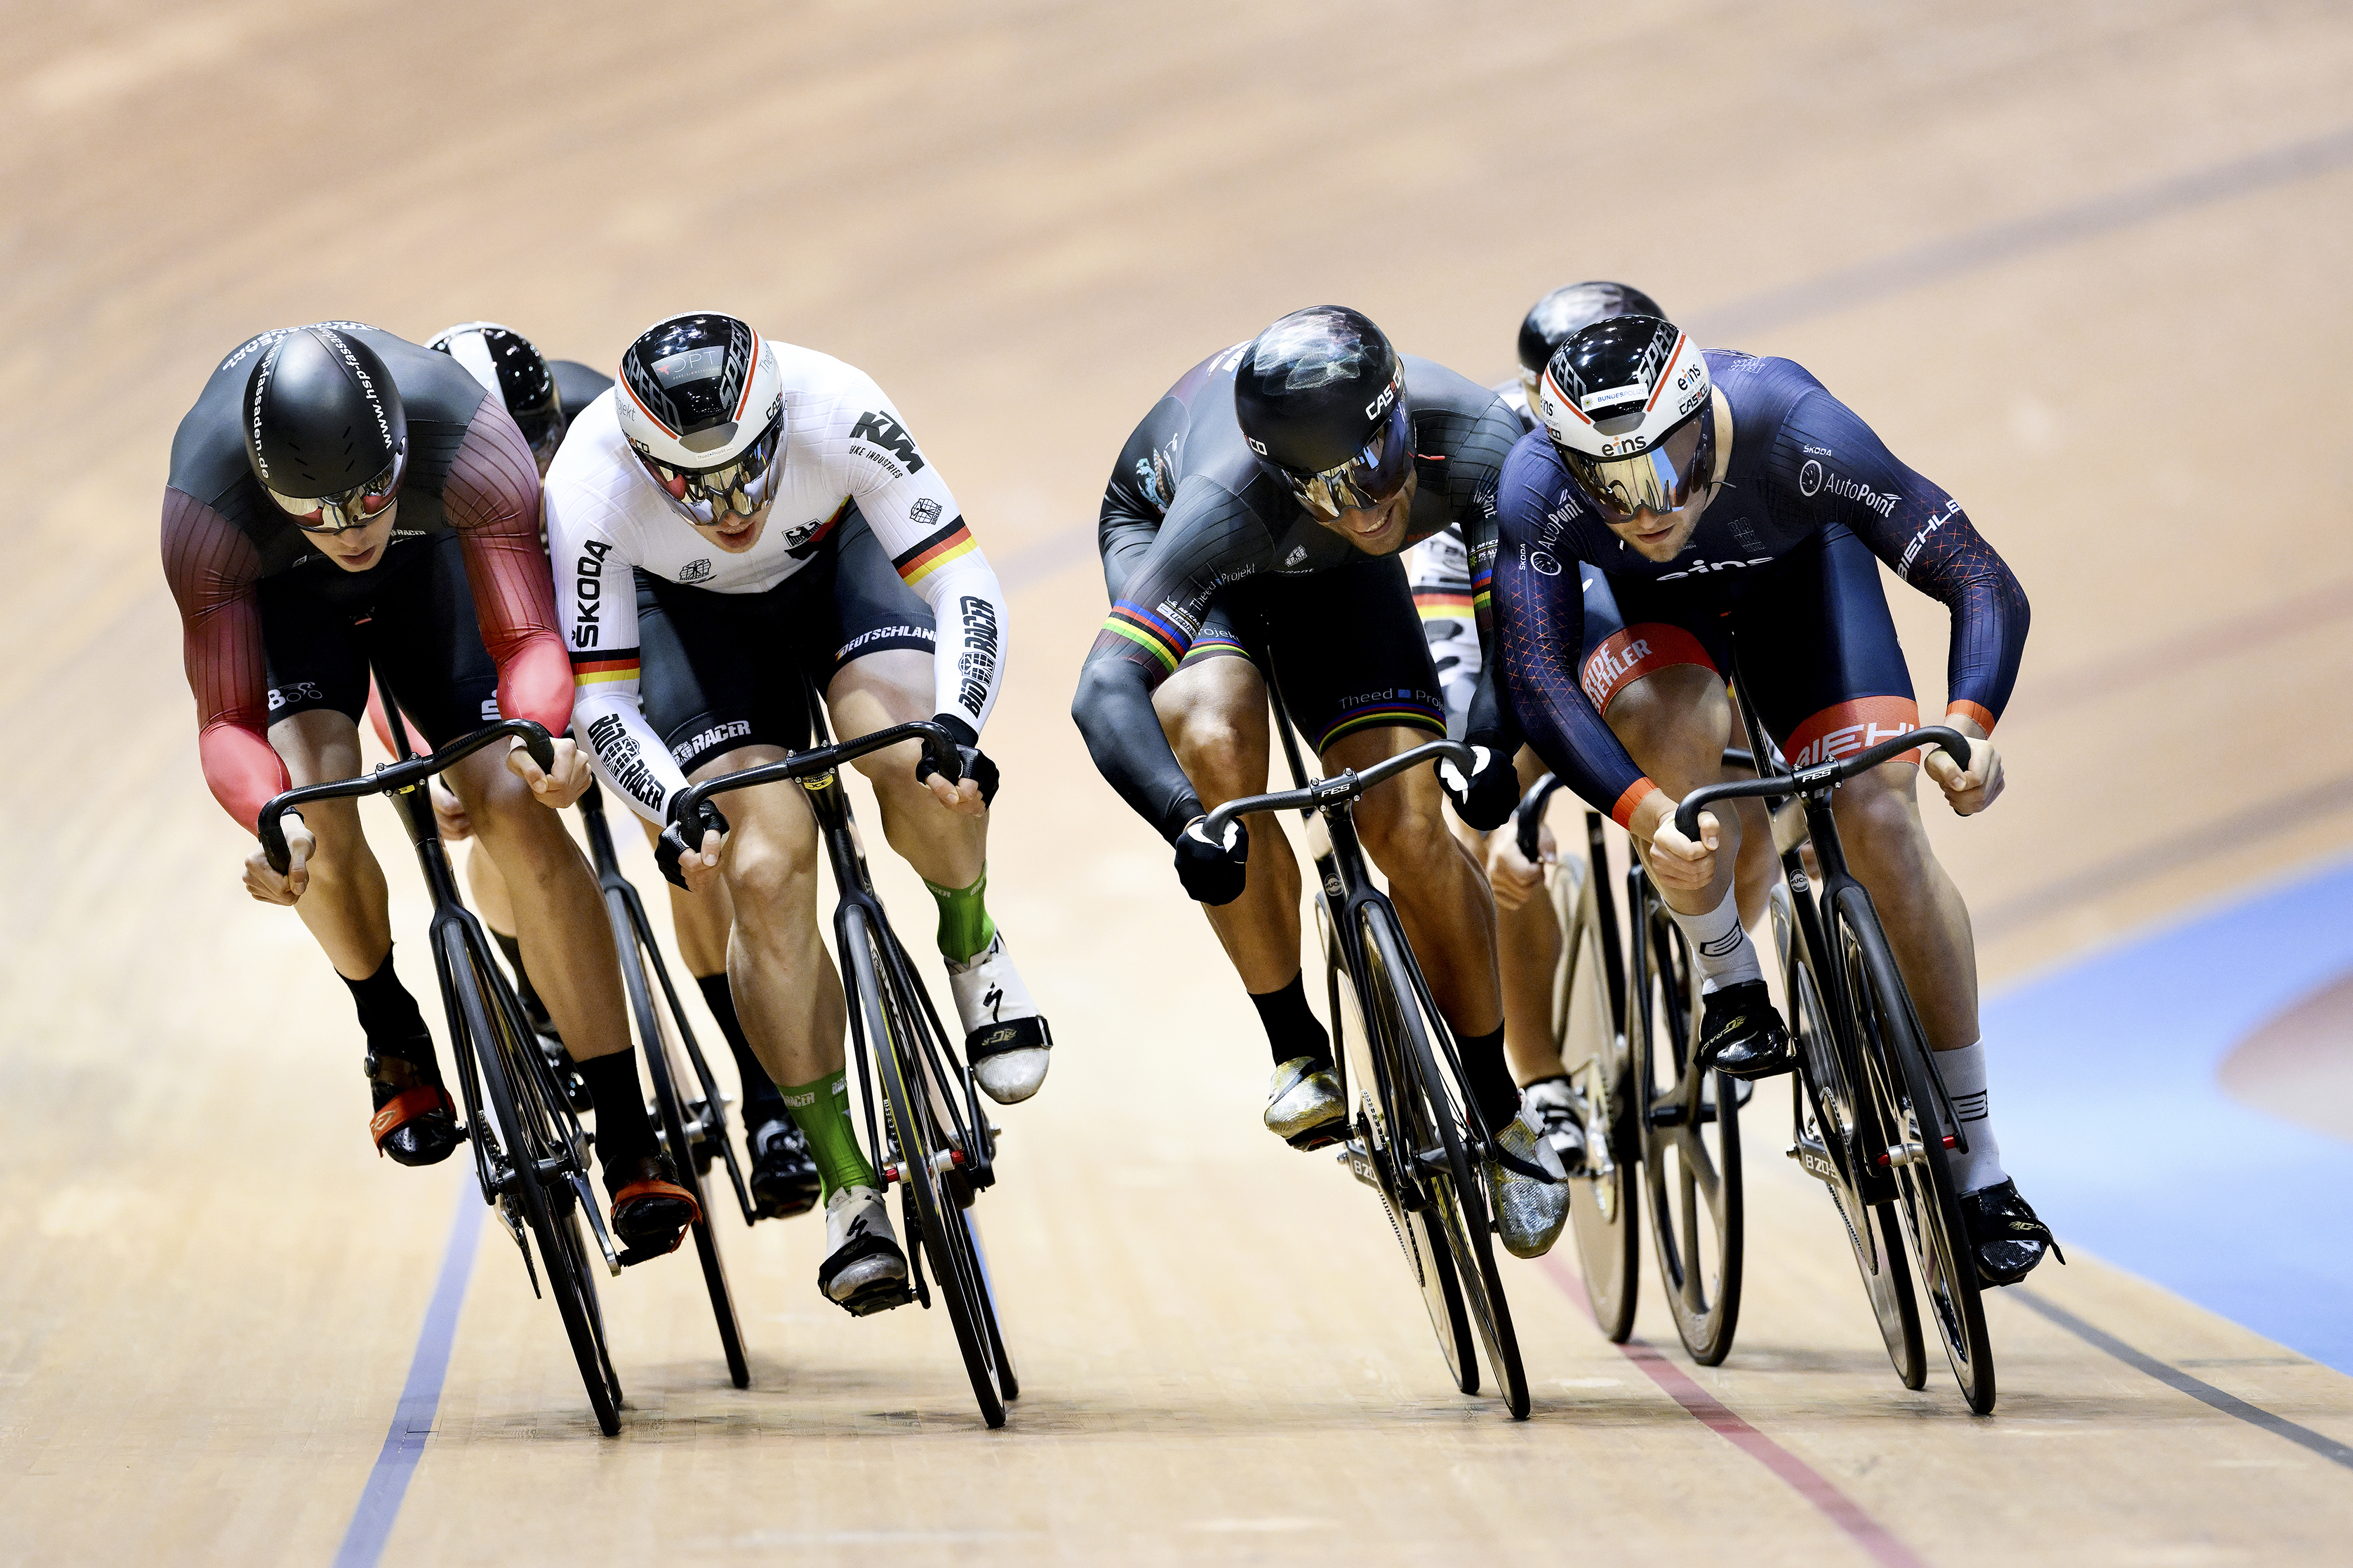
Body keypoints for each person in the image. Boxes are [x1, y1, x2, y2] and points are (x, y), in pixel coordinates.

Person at [1488, 313, 2058, 1285]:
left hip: (1803, 585)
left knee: (1880, 817)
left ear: (1705, 427)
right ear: (1569, 465)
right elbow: (1536, 676)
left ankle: (1981, 1163)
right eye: (1613, 488)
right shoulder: (1537, 488)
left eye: (1666, 467)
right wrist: (1640, 815)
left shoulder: (1797, 426)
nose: (1648, 508)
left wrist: (1970, 720)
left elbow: (1978, 574)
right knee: (1675, 728)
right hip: (1652, 622)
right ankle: (1730, 978)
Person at [160, 322, 699, 1254]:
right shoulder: (204, 512)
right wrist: (267, 819)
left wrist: (540, 736)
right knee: (311, 811)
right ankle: (391, 1029)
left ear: (402, 449)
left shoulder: (466, 433)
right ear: (268, 489)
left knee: (512, 801)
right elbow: (227, 726)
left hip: (436, 563)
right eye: (320, 511)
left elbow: (529, 643)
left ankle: (627, 1130)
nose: (352, 530)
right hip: (284, 602)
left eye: (371, 498)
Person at [544, 311, 1044, 1313]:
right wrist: (669, 799)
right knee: (762, 870)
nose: (728, 507)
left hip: (838, 573)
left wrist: (960, 716)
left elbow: (964, 582)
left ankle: (971, 939)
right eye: (693, 485)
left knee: (916, 759)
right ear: (646, 458)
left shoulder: (839, 406)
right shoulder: (587, 487)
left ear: (776, 421)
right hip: (688, 622)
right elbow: (600, 701)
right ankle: (845, 1180)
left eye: (745, 472)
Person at [1071, 305, 1569, 1260]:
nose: (1366, 504)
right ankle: (1296, 1041)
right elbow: (1104, 689)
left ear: (1403, 423)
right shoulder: (1228, 499)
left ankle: (1500, 1106)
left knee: (1411, 819)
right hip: (1194, 544)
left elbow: (1524, 624)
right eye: (1333, 487)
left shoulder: (1473, 439)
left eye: (1380, 471)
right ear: (1286, 470)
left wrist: (1488, 744)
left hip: (1328, 569)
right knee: (1216, 740)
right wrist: (1186, 822)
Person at [422, 321, 824, 1222]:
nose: (521, 483)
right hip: (486, 636)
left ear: (555, 418)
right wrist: (432, 762)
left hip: (621, 616)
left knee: (682, 824)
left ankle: (764, 1094)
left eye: (536, 450)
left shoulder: (610, 420)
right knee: (496, 803)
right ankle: (536, 979)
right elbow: (409, 650)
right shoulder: (423, 497)